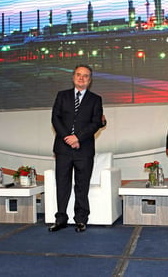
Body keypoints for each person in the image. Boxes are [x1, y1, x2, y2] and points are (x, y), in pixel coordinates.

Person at [49, 64, 103, 233]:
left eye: (85, 76)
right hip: (63, 148)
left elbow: (96, 123)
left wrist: (78, 138)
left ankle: (80, 219)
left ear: (90, 80)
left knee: (82, 185)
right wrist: (69, 138)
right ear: (73, 77)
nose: (81, 78)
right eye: (79, 75)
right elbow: (55, 119)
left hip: (84, 149)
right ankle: (60, 219)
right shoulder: (62, 96)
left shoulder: (96, 99)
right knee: (62, 184)